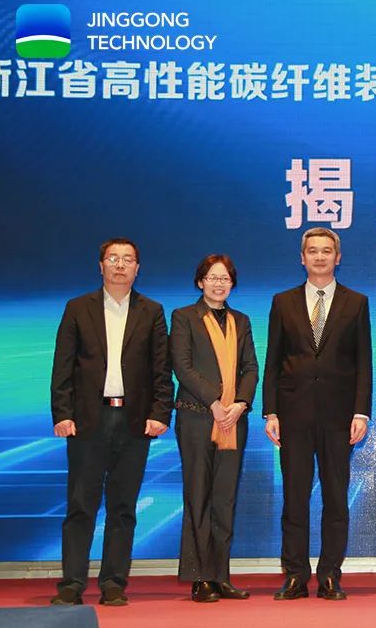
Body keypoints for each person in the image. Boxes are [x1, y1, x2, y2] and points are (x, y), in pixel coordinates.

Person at [49, 238, 173, 606]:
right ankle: (72, 583)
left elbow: (161, 369)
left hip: (134, 422)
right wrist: (62, 414)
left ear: (137, 268)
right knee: (80, 504)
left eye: (127, 259)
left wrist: (159, 413)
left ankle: (114, 582)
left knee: (123, 506)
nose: (120, 265)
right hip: (88, 420)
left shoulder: (152, 311)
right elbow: (63, 365)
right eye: (113, 258)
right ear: (100, 265)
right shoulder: (78, 308)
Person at [263, 228, 372, 601]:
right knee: (295, 499)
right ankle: (295, 575)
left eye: (327, 251)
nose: (320, 257)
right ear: (302, 258)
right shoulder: (283, 302)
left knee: (336, 499)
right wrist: (270, 411)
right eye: (313, 251)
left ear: (337, 258)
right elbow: (273, 360)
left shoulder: (356, 302)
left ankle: (329, 575)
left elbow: (363, 363)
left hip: (339, 417)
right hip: (293, 415)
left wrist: (361, 412)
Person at [170, 255, 258, 603]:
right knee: (198, 496)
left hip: (233, 421)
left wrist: (240, 403)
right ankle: (200, 577)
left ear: (232, 284)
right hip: (197, 418)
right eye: (212, 278)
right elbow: (182, 366)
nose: (218, 284)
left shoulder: (241, 321)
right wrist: (215, 402)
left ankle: (220, 576)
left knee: (225, 498)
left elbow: (251, 367)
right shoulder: (184, 317)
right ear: (200, 282)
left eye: (225, 279)